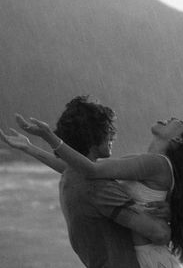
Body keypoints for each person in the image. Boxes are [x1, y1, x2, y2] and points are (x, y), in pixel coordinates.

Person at [10, 113, 183, 267]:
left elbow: (90, 169)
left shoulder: (156, 163)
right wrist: (29, 148)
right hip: (146, 258)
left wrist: (49, 136)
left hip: (149, 260)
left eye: (181, 123)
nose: (174, 117)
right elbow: (76, 171)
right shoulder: (150, 165)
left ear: (178, 139)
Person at [0, 96, 171, 268]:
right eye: (108, 129)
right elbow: (159, 233)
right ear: (93, 135)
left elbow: (69, 167)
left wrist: (29, 147)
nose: (113, 134)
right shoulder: (98, 187)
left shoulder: (71, 178)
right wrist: (174, 219)